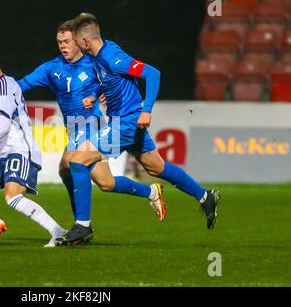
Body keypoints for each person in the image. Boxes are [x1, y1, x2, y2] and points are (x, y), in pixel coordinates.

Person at [55, 13, 222, 246]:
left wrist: (147, 109)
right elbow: (108, 82)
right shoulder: (96, 56)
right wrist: (94, 96)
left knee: (77, 159)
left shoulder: (113, 57)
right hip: (125, 121)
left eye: (73, 40)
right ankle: (205, 196)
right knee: (156, 167)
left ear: (84, 41)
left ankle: (82, 225)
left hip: (126, 121)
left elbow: (153, 73)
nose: (69, 45)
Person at [17, 20, 167, 241]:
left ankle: (81, 226)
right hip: (73, 127)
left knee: (67, 163)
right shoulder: (51, 68)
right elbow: (21, 84)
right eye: (59, 42)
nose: (63, 46)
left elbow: (118, 78)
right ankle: (151, 192)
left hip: (93, 125)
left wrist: (105, 94)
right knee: (106, 183)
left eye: (67, 41)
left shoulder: (95, 62)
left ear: (78, 41)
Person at [0, 43, 66, 247]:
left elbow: (4, 125)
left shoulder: (4, 87)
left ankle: (57, 231)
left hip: (22, 152)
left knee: (13, 198)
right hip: (6, 155)